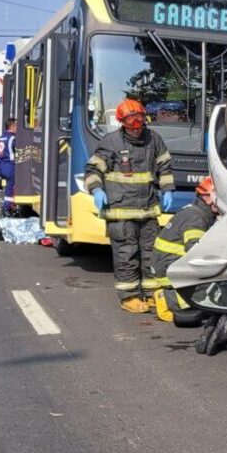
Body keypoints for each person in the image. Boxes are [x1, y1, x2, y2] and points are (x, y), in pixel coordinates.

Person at [84, 99, 176, 313]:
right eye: (131, 123)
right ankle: (129, 296)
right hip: (120, 212)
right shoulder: (111, 142)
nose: (136, 127)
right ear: (122, 123)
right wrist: (97, 190)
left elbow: (164, 165)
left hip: (147, 210)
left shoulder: (154, 139)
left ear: (145, 118)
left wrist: (168, 188)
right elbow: (92, 170)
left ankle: (152, 293)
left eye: (139, 121)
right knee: (126, 254)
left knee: (151, 253)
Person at [150, 176, 219, 324]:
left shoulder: (198, 211)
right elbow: (194, 252)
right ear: (207, 197)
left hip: (168, 264)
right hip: (170, 269)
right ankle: (167, 299)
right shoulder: (196, 218)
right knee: (212, 299)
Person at [0, 118, 17, 217]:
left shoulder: (0, 138)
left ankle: (9, 206)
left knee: (8, 188)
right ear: (12, 127)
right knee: (10, 189)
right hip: (10, 166)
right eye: (16, 126)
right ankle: (6, 208)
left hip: (0, 166)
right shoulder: (13, 138)